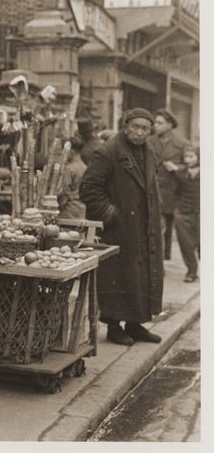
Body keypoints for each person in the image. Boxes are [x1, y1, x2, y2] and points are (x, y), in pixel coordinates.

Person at [80, 108, 164, 347]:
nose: (139, 132)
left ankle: (135, 325)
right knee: (118, 276)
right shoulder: (107, 151)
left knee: (140, 276)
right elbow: (88, 188)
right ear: (125, 127)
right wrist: (111, 213)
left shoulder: (148, 151)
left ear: (150, 131)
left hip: (143, 226)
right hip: (119, 228)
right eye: (135, 127)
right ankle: (114, 327)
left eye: (145, 129)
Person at [147, 109, 188, 260]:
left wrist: (177, 168)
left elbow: (191, 168)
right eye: (155, 123)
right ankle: (159, 260)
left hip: (172, 192)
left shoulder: (182, 144)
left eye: (160, 123)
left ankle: (164, 257)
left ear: (170, 125)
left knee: (167, 226)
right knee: (159, 227)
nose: (155, 126)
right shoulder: (149, 142)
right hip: (152, 190)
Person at [168, 144, 200, 282]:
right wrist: (177, 211)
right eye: (186, 157)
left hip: (201, 213)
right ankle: (191, 271)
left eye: (191, 156)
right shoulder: (181, 173)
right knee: (186, 244)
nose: (188, 159)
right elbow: (176, 192)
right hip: (183, 213)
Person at [58, 135, 87, 220]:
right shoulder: (85, 167)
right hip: (82, 209)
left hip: (69, 211)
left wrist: (59, 206)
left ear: (72, 151)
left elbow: (65, 193)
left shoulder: (69, 168)